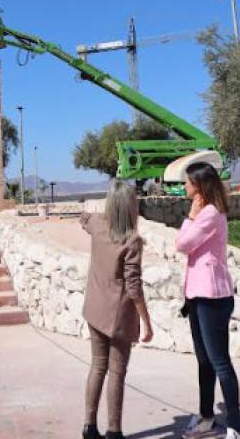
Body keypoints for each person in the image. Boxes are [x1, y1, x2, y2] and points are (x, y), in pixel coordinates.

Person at [176, 162, 240, 439]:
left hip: (212, 296)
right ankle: (207, 418)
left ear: (199, 186)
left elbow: (182, 244)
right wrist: (190, 218)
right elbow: (183, 244)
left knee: (219, 362)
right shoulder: (203, 213)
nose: (184, 187)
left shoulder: (210, 214)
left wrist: (190, 217)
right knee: (204, 362)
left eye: (187, 182)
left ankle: (236, 428)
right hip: (196, 295)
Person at [80, 180, 153, 439]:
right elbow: (134, 286)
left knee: (97, 366)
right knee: (117, 372)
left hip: (94, 309)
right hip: (118, 316)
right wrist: (146, 321)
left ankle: (89, 426)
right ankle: (114, 430)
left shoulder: (98, 226)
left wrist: (103, 213)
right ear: (131, 205)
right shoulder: (132, 240)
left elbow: (84, 217)